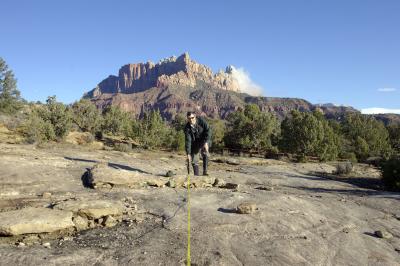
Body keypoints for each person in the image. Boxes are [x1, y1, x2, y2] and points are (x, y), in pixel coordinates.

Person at [184, 111, 211, 176]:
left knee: (205, 152)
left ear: (195, 117)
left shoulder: (201, 121)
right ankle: (196, 176)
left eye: (192, 118)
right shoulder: (187, 128)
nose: (191, 120)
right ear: (187, 119)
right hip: (194, 143)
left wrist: (206, 142)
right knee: (194, 159)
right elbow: (188, 141)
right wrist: (188, 153)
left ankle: (205, 172)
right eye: (189, 118)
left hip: (203, 140)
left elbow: (208, 130)